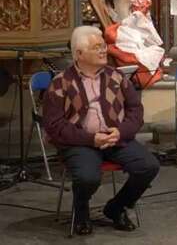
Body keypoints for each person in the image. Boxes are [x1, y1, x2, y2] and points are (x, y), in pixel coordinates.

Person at [42, 26, 160, 236]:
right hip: (79, 143)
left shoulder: (117, 77)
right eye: (96, 47)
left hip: (115, 138)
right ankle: (81, 211)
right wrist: (90, 139)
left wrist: (121, 132)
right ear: (79, 54)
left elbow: (135, 110)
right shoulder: (60, 83)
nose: (103, 50)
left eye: (103, 46)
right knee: (88, 177)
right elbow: (55, 126)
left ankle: (116, 208)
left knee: (148, 166)